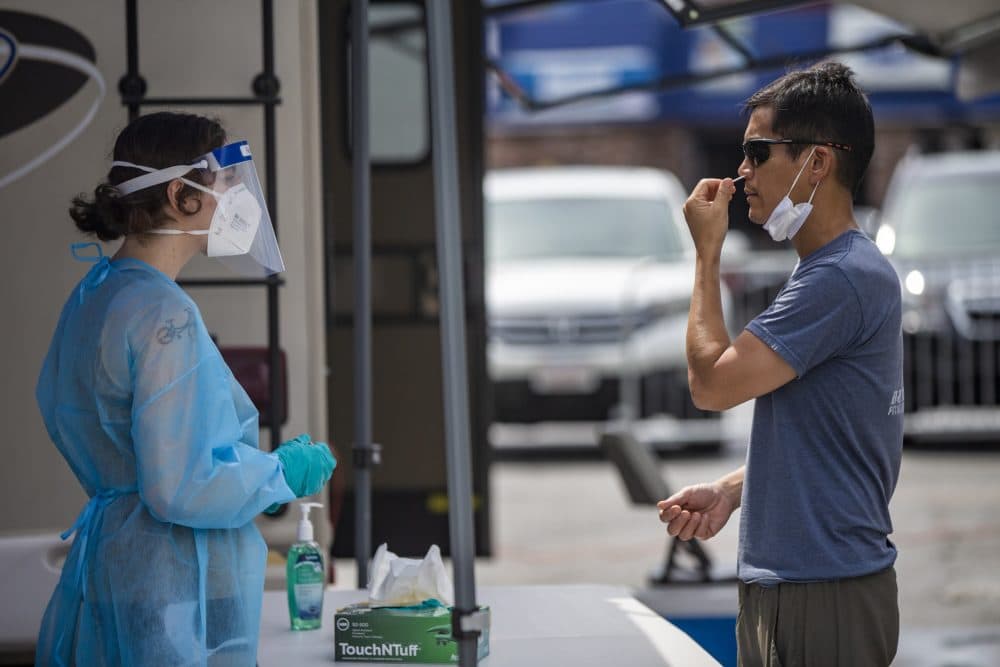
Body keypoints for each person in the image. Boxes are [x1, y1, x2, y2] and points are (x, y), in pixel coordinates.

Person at [35, 111, 336, 666]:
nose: (234, 199)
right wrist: (278, 476)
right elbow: (179, 486)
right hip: (165, 571)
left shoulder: (97, 293)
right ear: (181, 194)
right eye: (224, 183)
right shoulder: (161, 312)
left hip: (114, 559)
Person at [658, 62, 903, 666]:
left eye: (757, 152)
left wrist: (707, 253)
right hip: (804, 584)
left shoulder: (840, 278)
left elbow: (712, 385)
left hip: (824, 592)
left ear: (817, 163)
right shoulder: (835, 271)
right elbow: (834, 433)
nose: (741, 173)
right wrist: (734, 489)